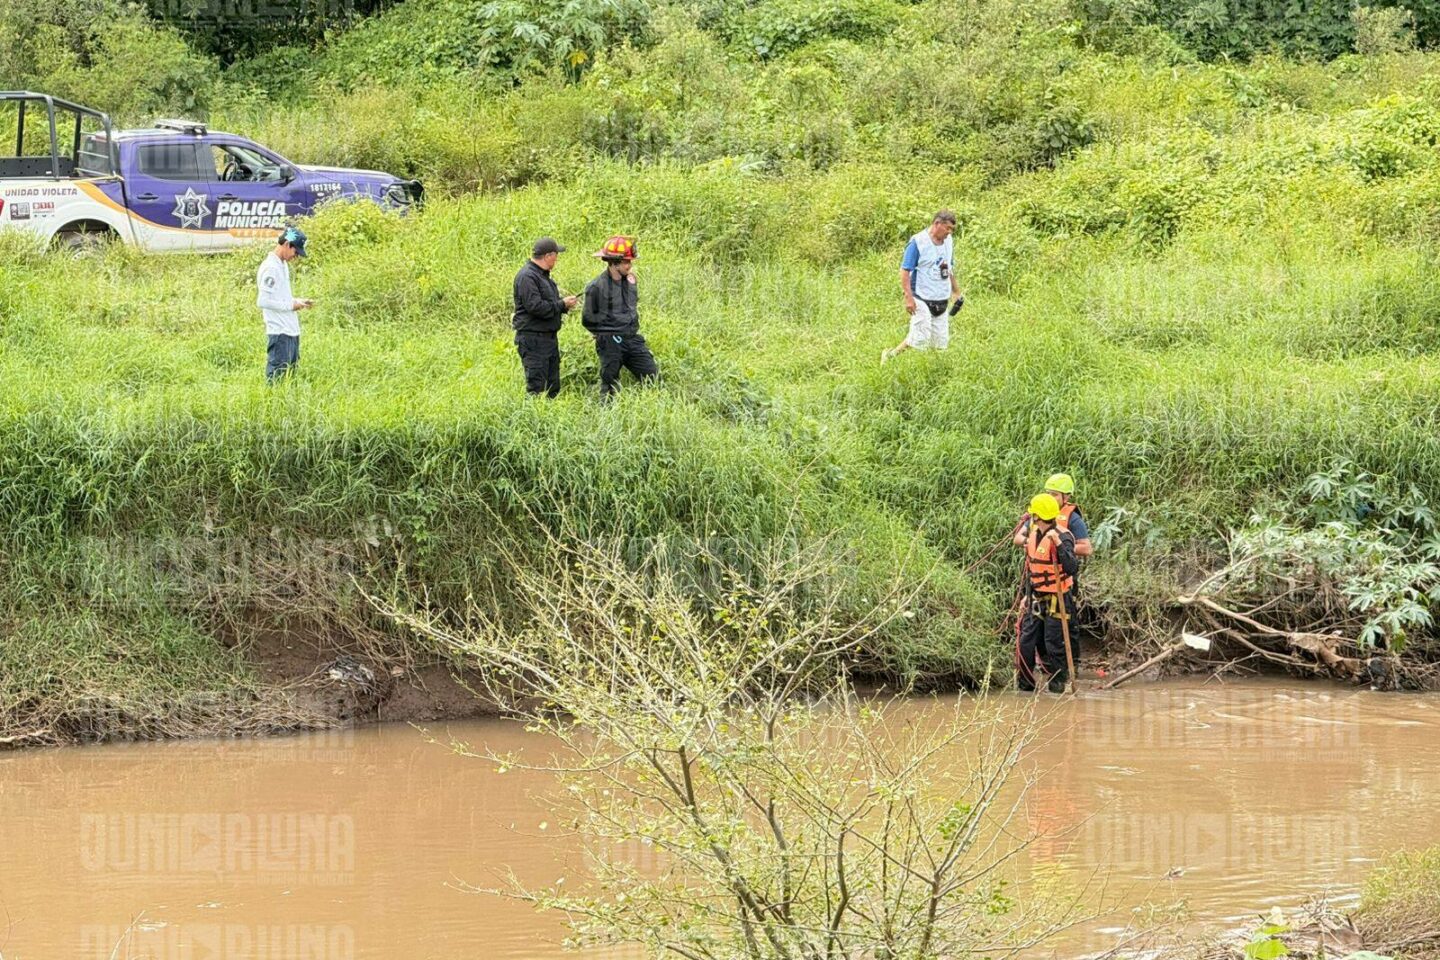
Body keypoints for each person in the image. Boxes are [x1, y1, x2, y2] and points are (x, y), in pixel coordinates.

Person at [1017, 493, 1080, 694]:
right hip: (1036, 595)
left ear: (1037, 516)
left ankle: (1057, 687)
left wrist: (1059, 545)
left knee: (1054, 642)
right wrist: (1027, 595)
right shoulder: (1034, 534)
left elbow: (1071, 567)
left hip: (1058, 597)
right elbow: (1032, 569)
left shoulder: (1062, 536)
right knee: (1026, 639)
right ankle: (1025, 687)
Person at [582, 235, 658, 400]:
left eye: (630, 262)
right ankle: (606, 417)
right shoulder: (596, 287)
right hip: (610, 343)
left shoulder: (631, 281)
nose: (629, 266)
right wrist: (605, 332)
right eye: (626, 262)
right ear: (613, 263)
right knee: (610, 385)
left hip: (632, 339)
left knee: (652, 376)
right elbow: (587, 319)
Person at [881, 210, 962, 363]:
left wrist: (956, 291)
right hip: (921, 297)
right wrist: (908, 298)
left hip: (941, 298)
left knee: (940, 343)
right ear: (937, 224)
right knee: (920, 337)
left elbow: (948, 267)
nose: (949, 232)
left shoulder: (949, 241)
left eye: (952, 229)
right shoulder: (918, 242)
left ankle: (933, 371)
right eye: (947, 228)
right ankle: (890, 356)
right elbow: (905, 271)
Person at [512, 237, 579, 397]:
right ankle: (533, 421)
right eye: (556, 255)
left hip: (548, 339)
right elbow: (535, 307)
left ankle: (550, 419)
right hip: (533, 340)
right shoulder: (527, 277)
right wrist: (562, 304)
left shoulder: (543, 276)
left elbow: (547, 304)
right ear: (548, 256)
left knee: (552, 387)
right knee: (537, 388)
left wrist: (563, 305)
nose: (557, 259)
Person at [256, 226, 313, 382]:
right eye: (296, 252)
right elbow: (263, 300)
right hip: (280, 333)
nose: (296, 257)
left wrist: (297, 301)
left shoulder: (282, 265)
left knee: (290, 380)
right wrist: (291, 306)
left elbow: (280, 296)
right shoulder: (271, 268)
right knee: (277, 380)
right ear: (287, 244)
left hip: (290, 331)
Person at [1011, 473, 1093, 557]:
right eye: (1048, 493)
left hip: (1058, 568)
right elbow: (1017, 538)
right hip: (1034, 568)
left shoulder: (1073, 518)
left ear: (1066, 497)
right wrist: (1029, 541)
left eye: (1054, 494)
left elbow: (1087, 549)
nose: (1049, 498)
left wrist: (1059, 547)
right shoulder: (1039, 511)